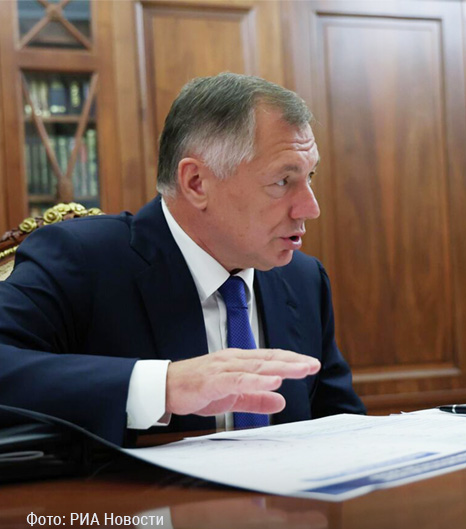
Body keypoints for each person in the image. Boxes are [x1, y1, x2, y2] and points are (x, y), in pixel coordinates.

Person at [0, 73, 365, 446]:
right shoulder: (81, 259)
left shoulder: (303, 279)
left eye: (309, 176)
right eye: (283, 181)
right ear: (196, 183)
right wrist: (162, 386)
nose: (311, 208)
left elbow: (343, 430)